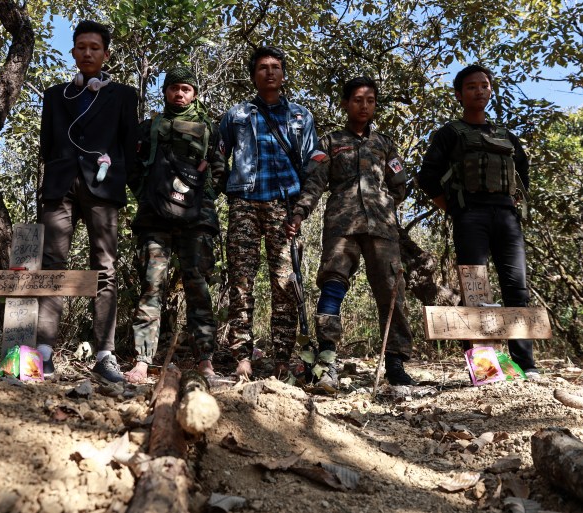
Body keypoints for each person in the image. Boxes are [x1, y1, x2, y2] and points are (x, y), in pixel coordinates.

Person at [284, 76, 416, 387]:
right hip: (341, 226)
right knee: (332, 286)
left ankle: (395, 362)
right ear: (345, 103)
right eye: (357, 100)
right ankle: (327, 358)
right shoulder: (329, 142)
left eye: (370, 100)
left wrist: (382, 205)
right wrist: (301, 212)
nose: (364, 106)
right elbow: (315, 182)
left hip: (382, 229)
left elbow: (399, 186)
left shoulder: (385, 144)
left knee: (391, 291)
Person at [416, 64, 539, 378]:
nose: (479, 90)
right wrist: (455, 210)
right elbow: (427, 177)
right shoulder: (449, 133)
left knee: (517, 288)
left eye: (484, 85)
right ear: (459, 94)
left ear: (491, 90)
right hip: (471, 218)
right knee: (476, 290)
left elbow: (522, 176)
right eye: (471, 86)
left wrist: (512, 204)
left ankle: (525, 366)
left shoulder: (506, 136)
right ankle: (485, 370)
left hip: (507, 219)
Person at [36, 20, 138, 383]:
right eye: (81, 47)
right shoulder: (55, 95)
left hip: (103, 187)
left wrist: (114, 176)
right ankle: (43, 352)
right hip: (60, 186)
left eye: (95, 47)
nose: (88, 53)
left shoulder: (124, 96)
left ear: (106, 54)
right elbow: (47, 145)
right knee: (52, 265)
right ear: (74, 52)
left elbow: (128, 146)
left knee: (105, 267)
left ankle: (105, 354)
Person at [219, 46, 318, 379]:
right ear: (253, 75)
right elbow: (219, 159)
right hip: (244, 204)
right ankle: (242, 357)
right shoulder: (236, 115)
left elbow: (312, 169)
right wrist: (228, 190)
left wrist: (300, 212)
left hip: (284, 206)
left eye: (276, 67)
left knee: (285, 284)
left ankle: (282, 358)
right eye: (263, 67)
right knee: (242, 282)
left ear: (283, 73)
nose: (270, 72)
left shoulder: (301, 117)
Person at [123, 67, 223, 383]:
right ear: (165, 92)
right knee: (152, 286)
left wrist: (198, 198)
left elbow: (220, 172)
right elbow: (132, 169)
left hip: (197, 221)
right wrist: (147, 196)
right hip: (153, 220)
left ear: (194, 93)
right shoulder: (148, 128)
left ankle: (205, 359)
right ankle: (142, 360)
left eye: (186, 89)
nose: (179, 94)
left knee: (198, 288)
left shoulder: (210, 129)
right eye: (174, 88)